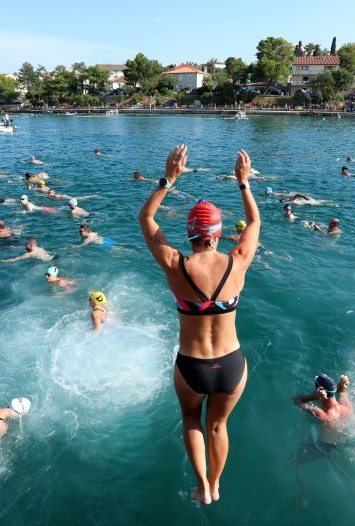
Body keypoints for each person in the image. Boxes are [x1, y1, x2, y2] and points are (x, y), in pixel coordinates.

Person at [138, 144, 260, 505]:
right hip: (232, 365)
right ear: (220, 234)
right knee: (218, 426)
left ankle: (201, 486)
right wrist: (243, 183)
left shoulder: (175, 264)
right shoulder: (237, 262)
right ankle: (218, 484)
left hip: (192, 365)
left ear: (190, 234)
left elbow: (146, 220)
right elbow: (253, 223)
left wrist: (168, 180)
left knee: (192, 419)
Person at [293, 374, 353, 507]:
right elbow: (343, 394)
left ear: (321, 391)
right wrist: (342, 390)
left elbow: (297, 401)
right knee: (315, 437)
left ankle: (302, 498)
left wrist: (313, 397)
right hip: (336, 442)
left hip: (321, 446)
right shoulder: (346, 407)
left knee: (297, 463)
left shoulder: (322, 414)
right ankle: (330, 458)